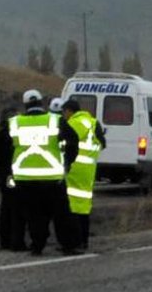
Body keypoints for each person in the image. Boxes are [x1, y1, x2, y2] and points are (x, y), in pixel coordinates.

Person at [10, 89, 81, 256]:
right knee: (61, 214)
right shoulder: (55, 120)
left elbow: (5, 148)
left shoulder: (15, 123)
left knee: (34, 215)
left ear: (25, 104)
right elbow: (73, 140)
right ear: (41, 103)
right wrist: (68, 163)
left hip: (25, 178)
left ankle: (37, 246)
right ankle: (68, 246)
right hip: (52, 178)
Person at [62, 99, 106, 249]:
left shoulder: (73, 123)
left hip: (74, 169)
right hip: (88, 171)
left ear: (69, 111)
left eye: (64, 112)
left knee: (71, 206)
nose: (64, 115)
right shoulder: (93, 123)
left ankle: (73, 242)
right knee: (84, 206)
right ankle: (84, 241)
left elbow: (63, 143)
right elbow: (103, 144)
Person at [0, 106, 27, 251]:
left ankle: (5, 241)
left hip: (3, 175)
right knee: (16, 208)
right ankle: (16, 242)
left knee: (6, 207)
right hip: (11, 175)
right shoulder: (10, 135)